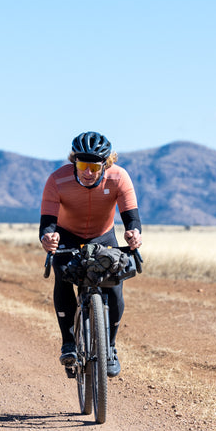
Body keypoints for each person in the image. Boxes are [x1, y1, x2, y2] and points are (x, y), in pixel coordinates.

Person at [40, 131, 142, 378]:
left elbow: (131, 217)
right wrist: (48, 238)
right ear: (74, 161)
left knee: (114, 288)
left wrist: (134, 234)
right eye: (82, 165)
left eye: (94, 167)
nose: (87, 172)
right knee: (63, 276)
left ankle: (110, 347)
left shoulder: (119, 177)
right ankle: (68, 343)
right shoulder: (57, 179)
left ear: (106, 165)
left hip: (103, 237)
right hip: (67, 235)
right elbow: (47, 222)